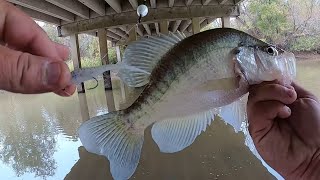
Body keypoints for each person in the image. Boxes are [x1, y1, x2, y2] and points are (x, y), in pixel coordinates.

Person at [0, 1, 319, 179]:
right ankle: (128, 124)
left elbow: (229, 105)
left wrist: (312, 162)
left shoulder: (240, 81)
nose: (276, 59)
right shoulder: (236, 69)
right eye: (270, 54)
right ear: (243, 57)